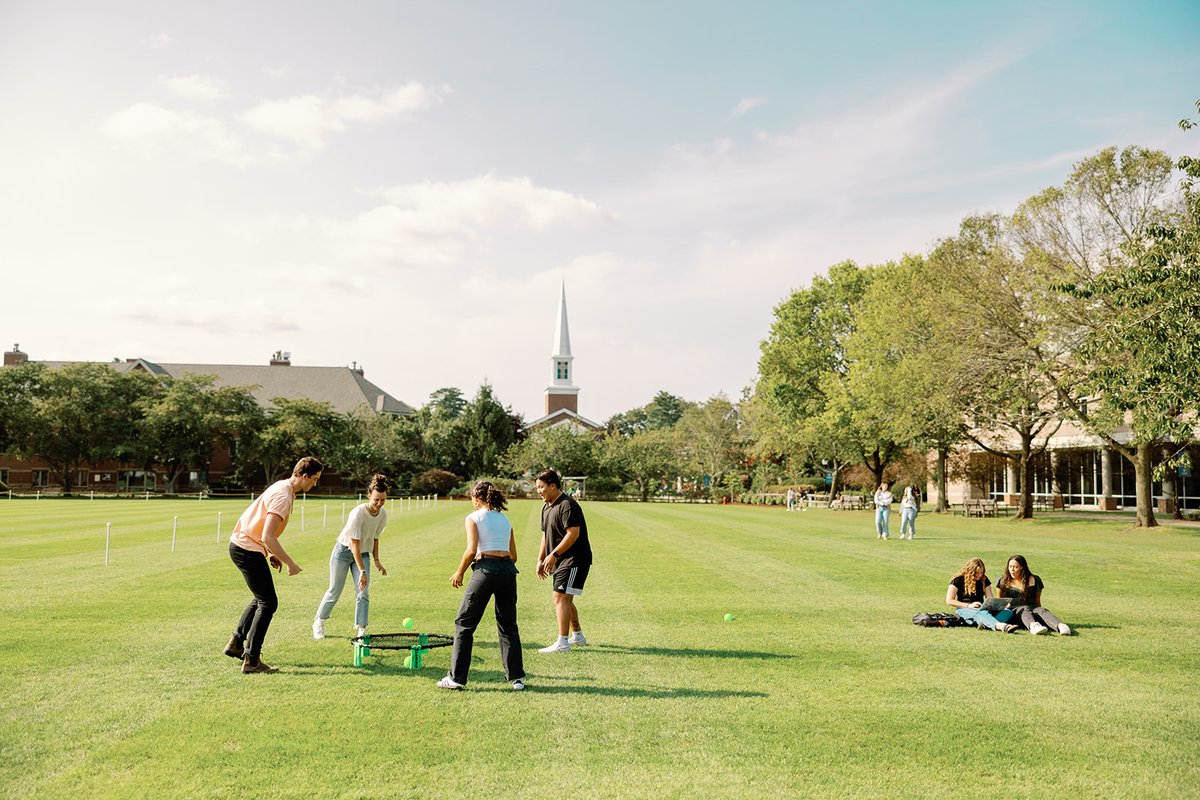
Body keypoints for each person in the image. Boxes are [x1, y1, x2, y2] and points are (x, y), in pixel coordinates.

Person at [225, 456, 323, 673]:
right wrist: (290, 563)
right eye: (314, 479)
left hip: (246, 546)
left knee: (261, 598)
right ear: (304, 475)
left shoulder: (284, 488)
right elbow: (268, 536)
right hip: (246, 548)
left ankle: (236, 643)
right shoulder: (283, 496)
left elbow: (264, 534)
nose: (315, 484)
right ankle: (251, 660)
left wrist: (269, 553)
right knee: (268, 603)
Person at [436, 480, 526, 691]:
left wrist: (459, 572)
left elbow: (471, 550)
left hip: (485, 570)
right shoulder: (505, 519)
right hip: (508, 572)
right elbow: (513, 556)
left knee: (464, 623)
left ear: (477, 499)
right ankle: (517, 679)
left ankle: (456, 678)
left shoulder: (474, 517)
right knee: (508, 625)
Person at [312, 474, 390, 641]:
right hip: (343, 551)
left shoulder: (382, 514)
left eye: (383, 500)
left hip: (364, 553)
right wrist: (363, 571)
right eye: (376, 500)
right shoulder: (358, 513)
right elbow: (354, 545)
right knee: (335, 590)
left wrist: (376, 560)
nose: (379, 503)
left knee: (363, 592)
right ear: (369, 495)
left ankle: (361, 629)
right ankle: (319, 621)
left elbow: (375, 537)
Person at [535, 468, 593, 653]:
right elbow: (545, 535)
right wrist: (540, 559)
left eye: (541, 487)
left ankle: (562, 643)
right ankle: (578, 636)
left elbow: (573, 533)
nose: (539, 491)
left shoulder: (568, 505)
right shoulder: (546, 507)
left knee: (560, 597)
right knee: (565, 598)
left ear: (553, 486)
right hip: (561, 560)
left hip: (575, 559)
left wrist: (554, 555)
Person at [997, 554, 1072, 636]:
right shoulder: (1003, 580)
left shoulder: (1035, 579)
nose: (1012, 570)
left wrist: (1040, 613)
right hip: (1014, 613)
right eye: (1010, 566)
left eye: (1016, 567)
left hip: (1032, 609)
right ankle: (1033, 626)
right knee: (1024, 608)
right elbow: (1000, 601)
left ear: (1022, 567)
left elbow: (1037, 601)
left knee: (1042, 610)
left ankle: (1061, 626)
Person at [946, 557, 1018, 633]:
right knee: (982, 613)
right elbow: (949, 600)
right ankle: (1002, 626)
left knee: (1008, 612)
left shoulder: (984, 579)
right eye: (976, 573)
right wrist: (969, 605)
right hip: (964, 609)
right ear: (970, 571)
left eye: (981, 572)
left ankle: (984, 624)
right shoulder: (957, 580)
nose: (979, 575)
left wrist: (1001, 606)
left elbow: (990, 598)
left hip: (982, 608)